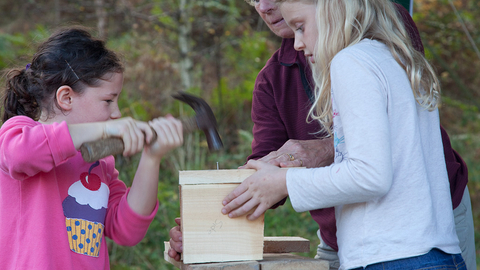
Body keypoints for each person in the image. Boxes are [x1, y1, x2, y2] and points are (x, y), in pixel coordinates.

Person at [169, 1, 475, 269]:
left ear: (332, 7)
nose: (298, 43)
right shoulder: (392, 53)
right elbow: (263, 172)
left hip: (393, 254)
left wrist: (286, 180)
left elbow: (370, 175)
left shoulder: (350, 62)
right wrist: (203, 226)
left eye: (301, 27)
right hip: (423, 246)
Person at [0, 26, 183, 269]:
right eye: (108, 101)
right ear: (66, 98)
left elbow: (126, 229)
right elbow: (20, 156)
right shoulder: (19, 133)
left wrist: (152, 157)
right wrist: (105, 130)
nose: (116, 113)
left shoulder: (100, 161)